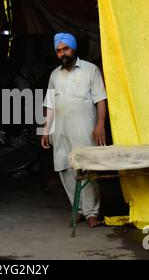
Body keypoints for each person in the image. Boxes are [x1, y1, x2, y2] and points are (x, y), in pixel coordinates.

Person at [41, 32, 107, 228]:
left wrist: (100, 124)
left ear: (74, 48)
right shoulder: (54, 75)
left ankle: (92, 213)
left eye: (66, 49)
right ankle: (77, 209)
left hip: (85, 130)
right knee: (65, 169)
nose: (63, 54)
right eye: (59, 51)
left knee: (87, 169)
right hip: (60, 132)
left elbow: (101, 100)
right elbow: (50, 105)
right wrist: (45, 130)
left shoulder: (90, 70)